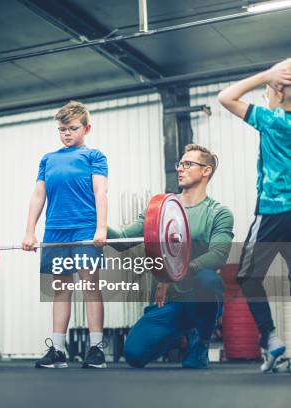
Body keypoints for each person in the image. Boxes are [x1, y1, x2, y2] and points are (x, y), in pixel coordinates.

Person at [111, 144, 233, 369]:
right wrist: (94, 224)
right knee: (134, 355)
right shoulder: (161, 208)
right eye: (180, 164)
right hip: (169, 303)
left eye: (188, 164)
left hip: (198, 299)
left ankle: (201, 343)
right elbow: (122, 241)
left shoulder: (218, 213)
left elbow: (218, 255)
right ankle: (177, 334)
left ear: (206, 171)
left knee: (209, 280)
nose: (180, 169)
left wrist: (175, 275)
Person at [22, 100, 108, 369]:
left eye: (72, 128)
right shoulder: (48, 159)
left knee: (90, 286)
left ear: (87, 127)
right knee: (60, 289)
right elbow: (38, 195)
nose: (67, 133)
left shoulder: (95, 157)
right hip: (55, 231)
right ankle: (58, 350)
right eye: (62, 129)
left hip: (84, 228)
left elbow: (100, 192)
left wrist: (101, 228)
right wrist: (29, 231)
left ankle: (96, 349)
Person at [218, 58, 291, 372]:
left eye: (267, 88)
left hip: (274, 211)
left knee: (248, 276)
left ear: (277, 88)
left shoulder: (272, 119)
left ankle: (271, 338)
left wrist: (265, 74)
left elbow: (225, 97)